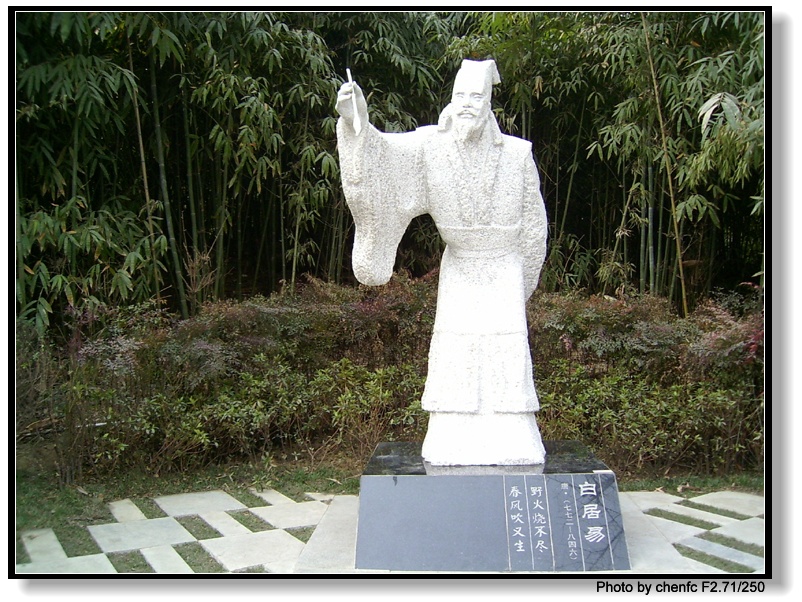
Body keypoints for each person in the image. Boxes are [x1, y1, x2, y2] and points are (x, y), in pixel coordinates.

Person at [336, 59, 548, 466]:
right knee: (456, 347)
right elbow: (383, 156)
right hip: (460, 266)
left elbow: (534, 227)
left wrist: (521, 282)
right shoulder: (430, 146)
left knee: (505, 350)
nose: (467, 104)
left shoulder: (518, 153)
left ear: (489, 103)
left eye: (476, 97)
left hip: (504, 266)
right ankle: (451, 432)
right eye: (460, 95)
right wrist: (355, 120)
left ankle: (513, 433)